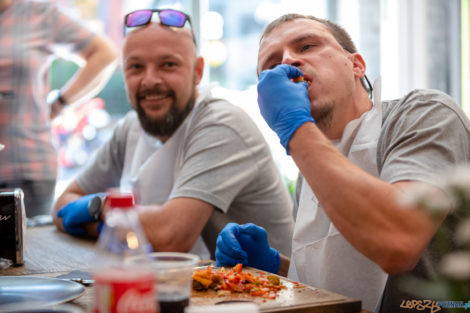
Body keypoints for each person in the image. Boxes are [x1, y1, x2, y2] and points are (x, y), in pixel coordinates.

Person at [215, 13, 470, 312]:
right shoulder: (310, 166)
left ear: (356, 64)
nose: (287, 63)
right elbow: (339, 287)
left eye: (307, 46)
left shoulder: (424, 114)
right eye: (271, 66)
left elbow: (398, 242)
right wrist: (274, 268)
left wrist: (295, 129)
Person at [51, 8, 294, 259]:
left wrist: (99, 213)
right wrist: (117, 220)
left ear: (197, 72)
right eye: (135, 67)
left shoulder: (221, 124)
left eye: (168, 65)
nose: (150, 80)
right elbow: (61, 206)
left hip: (278, 292)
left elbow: (170, 236)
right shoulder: (130, 127)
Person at [0, 0, 118, 217]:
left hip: (27, 167)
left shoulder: (39, 14)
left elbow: (104, 54)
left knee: (30, 248)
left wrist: (59, 104)